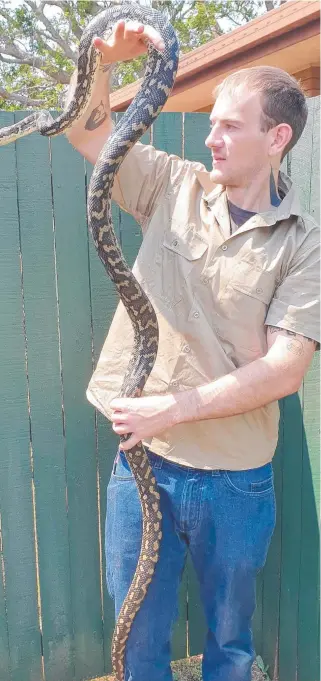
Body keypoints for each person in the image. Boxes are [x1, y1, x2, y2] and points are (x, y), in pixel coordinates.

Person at [66, 20, 320, 681]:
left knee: (230, 645)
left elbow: (284, 370)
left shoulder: (304, 242)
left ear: (277, 138)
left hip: (234, 479)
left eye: (231, 125)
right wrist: (99, 60)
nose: (211, 136)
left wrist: (168, 410)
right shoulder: (172, 186)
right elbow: (91, 134)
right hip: (142, 461)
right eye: (212, 122)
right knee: (137, 639)